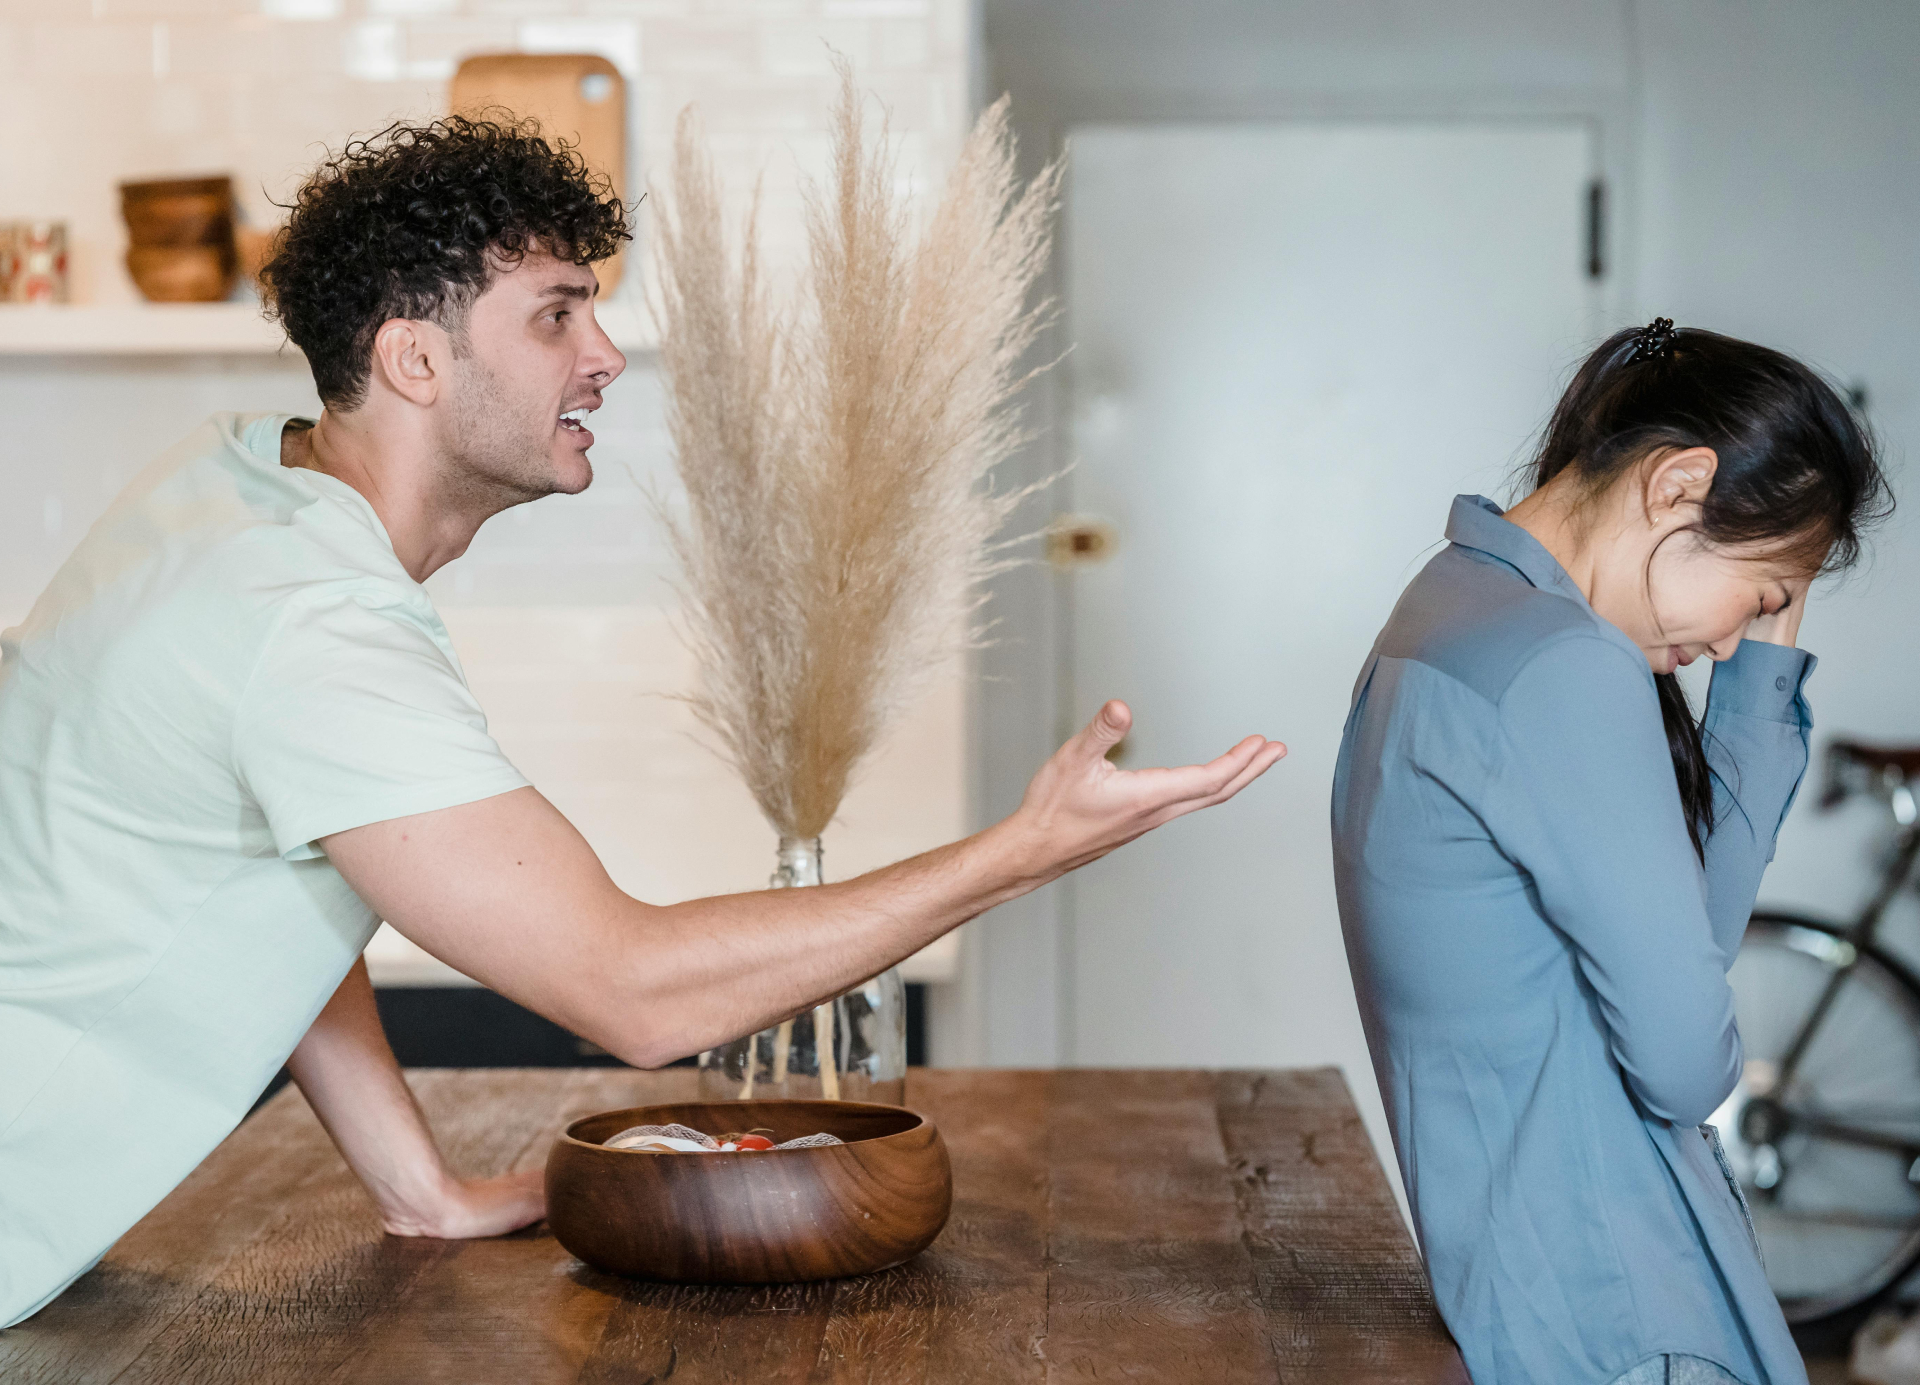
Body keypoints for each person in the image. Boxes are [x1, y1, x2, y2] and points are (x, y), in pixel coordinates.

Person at [0, 118, 1287, 1328]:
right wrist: (1022, 849)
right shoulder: (313, 622)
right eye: (558, 314)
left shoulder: (230, 481)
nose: (604, 353)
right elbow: (632, 992)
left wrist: (419, 1186)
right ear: (415, 358)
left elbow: (299, 857)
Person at [1331, 319, 1891, 1385]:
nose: (1738, 638)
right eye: (1767, 593)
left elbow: (1685, 941)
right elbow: (1685, 1058)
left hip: (1530, 1288)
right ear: (1679, 483)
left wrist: (1759, 674)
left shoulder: (1445, 606)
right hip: (1622, 1305)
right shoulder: (1562, 666)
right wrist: (1757, 696)